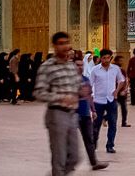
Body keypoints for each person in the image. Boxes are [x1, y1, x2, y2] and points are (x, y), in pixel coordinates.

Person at [34, 31, 95, 175]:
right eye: (61, 44)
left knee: (75, 157)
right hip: (56, 114)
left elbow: (76, 87)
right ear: (54, 46)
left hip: (72, 115)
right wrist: (60, 98)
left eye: (66, 43)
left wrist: (82, 92)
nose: (65, 46)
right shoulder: (47, 67)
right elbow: (38, 93)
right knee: (59, 157)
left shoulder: (70, 66)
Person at [88, 49, 125, 154]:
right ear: (100, 58)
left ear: (111, 58)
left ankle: (110, 145)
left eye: (108, 58)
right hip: (98, 100)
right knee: (96, 124)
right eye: (104, 58)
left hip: (111, 100)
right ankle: (94, 142)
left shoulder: (115, 69)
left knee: (113, 123)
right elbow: (90, 84)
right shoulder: (95, 70)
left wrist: (117, 91)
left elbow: (121, 80)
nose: (106, 60)